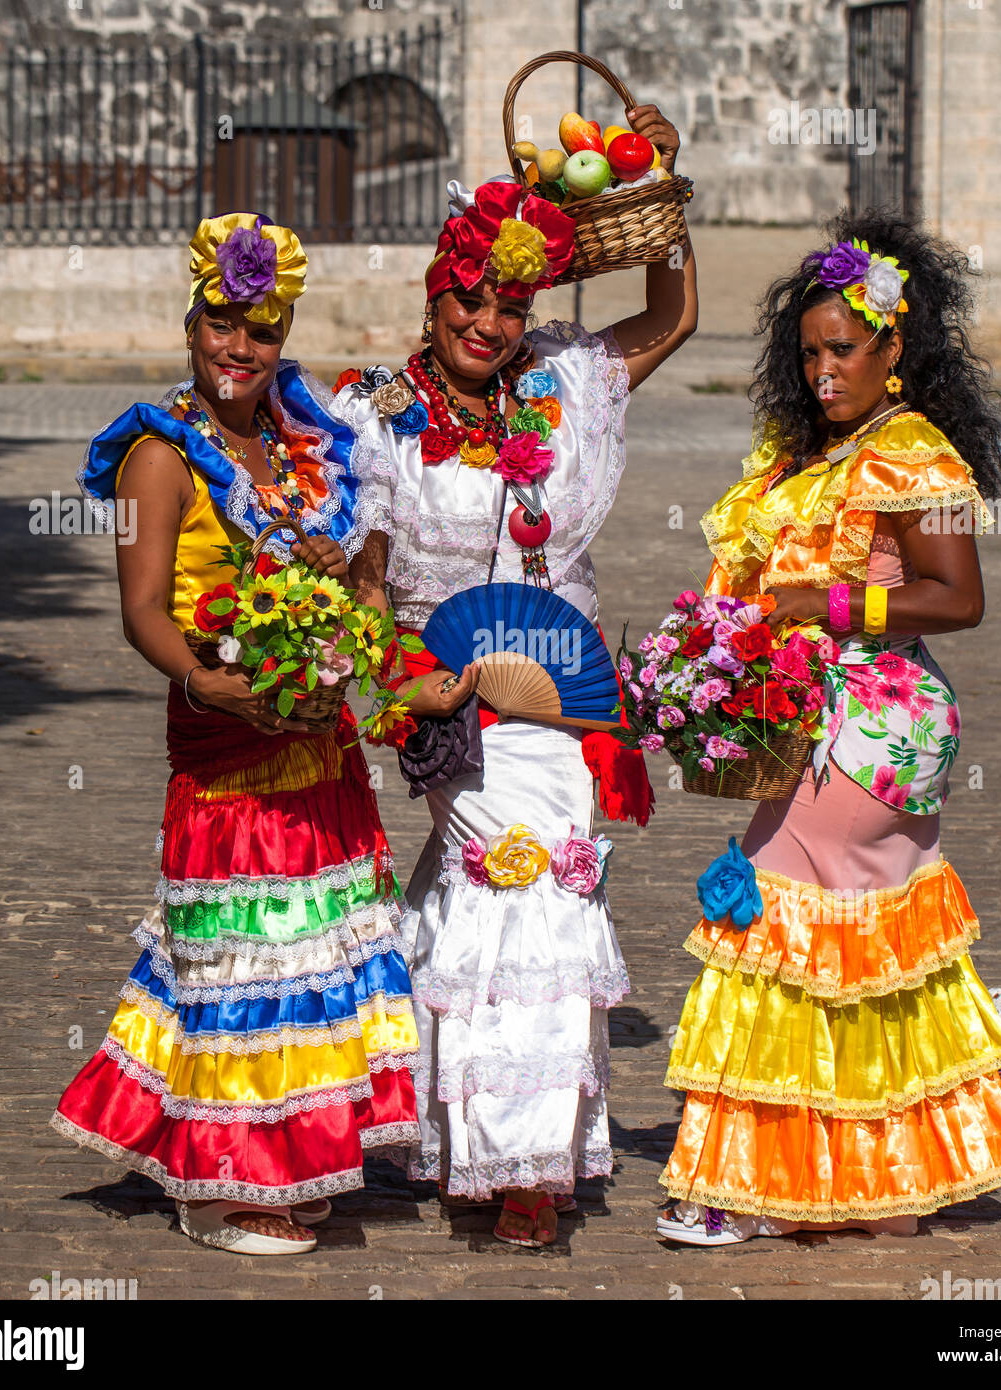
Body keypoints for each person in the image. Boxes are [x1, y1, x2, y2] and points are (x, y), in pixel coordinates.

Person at [330, 105, 698, 1246]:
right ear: (430, 298)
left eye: (510, 303)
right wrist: (402, 682)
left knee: (520, 897)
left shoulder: (565, 381)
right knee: (516, 892)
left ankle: (435, 1124)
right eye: (468, 299)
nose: (489, 322)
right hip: (460, 707)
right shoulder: (375, 418)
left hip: (571, 698)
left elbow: (674, 310)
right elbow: (365, 581)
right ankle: (515, 1165)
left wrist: (662, 192)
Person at [654, 213, 1001, 1245]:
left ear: (893, 352)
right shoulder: (799, 456)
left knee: (779, 933)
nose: (823, 370)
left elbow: (957, 599)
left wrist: (824, 604)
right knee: (848, 951)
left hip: (865, 729)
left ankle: (748, 1182)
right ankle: (851, 1177)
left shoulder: (913, 455)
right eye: (809, 351)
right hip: (799, 720)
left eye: (842, 350)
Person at [52, 212, 419, 1255]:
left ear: (284, 331)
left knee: (310, 945)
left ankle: (292, 1147)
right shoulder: (156, 457)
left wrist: (356, 625)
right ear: (191, 323)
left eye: (261, 330)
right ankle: (216, 1176)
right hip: (223, 733)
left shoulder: (306, 444)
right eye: (221, 324)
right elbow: (142, 611)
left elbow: (354, 570)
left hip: (315, 732)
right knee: (238, 953)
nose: (238, 349)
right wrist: (206, 683)